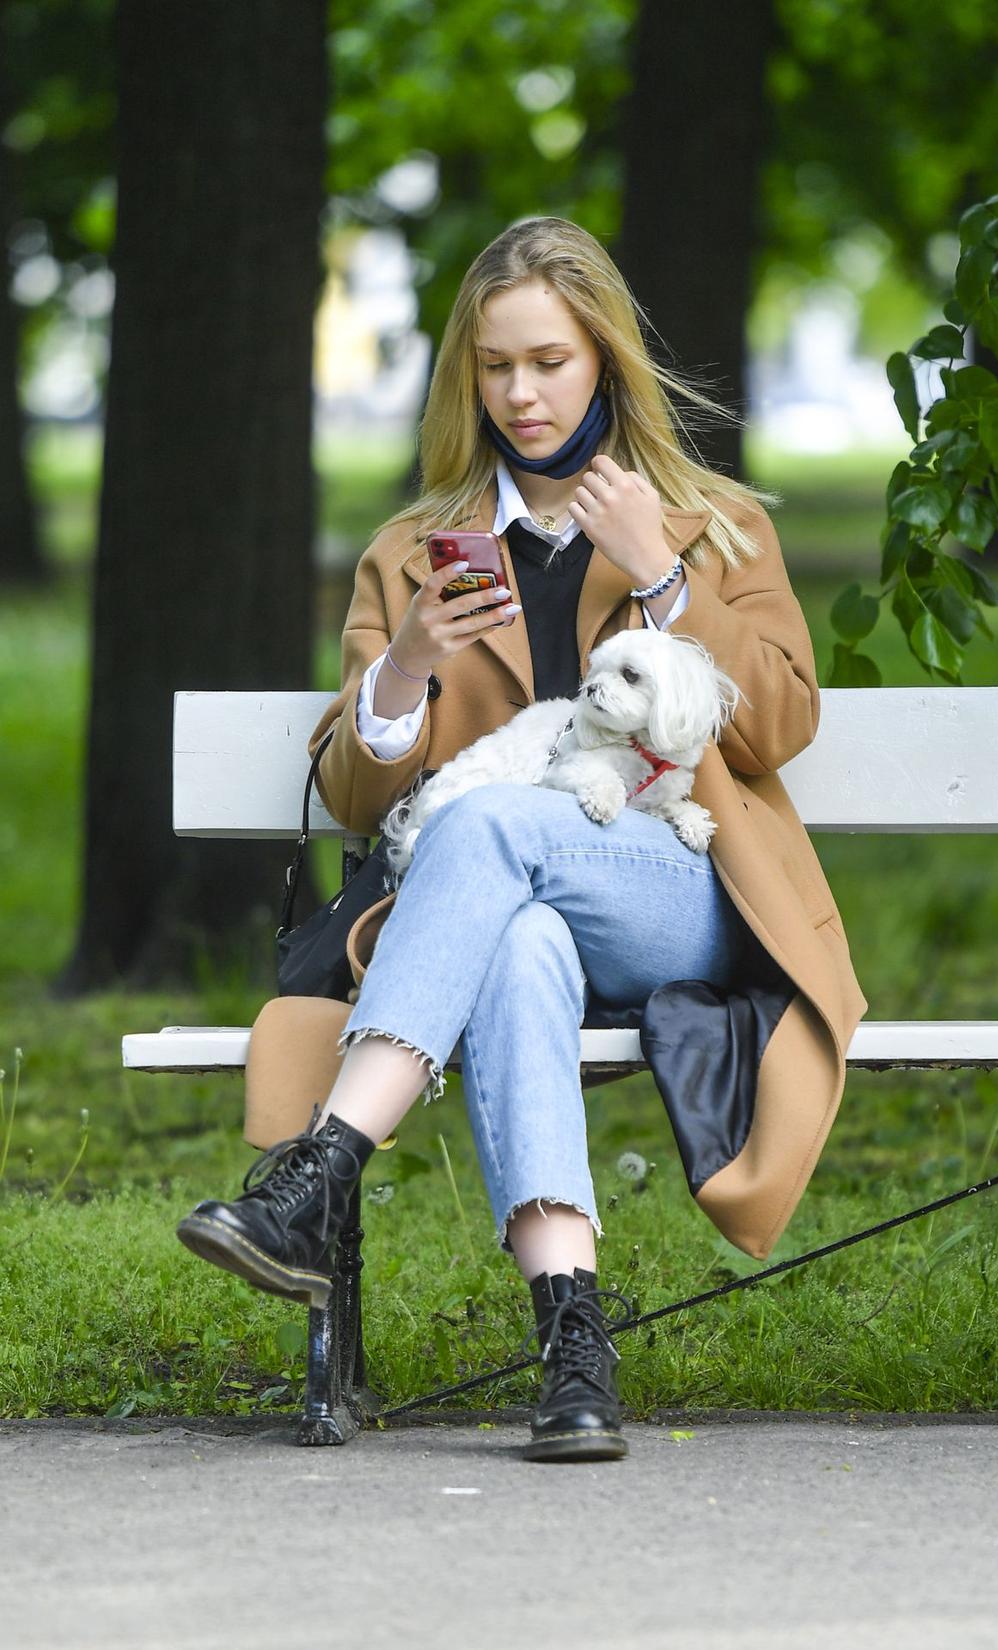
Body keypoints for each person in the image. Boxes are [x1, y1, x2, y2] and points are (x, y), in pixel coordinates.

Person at [177, 215, 867, 1464]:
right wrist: (406, 670)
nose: (522, 392)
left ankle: (323, 1167)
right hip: (495, 918)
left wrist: (662, 576)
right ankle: (573, 1350)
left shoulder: (708, 525)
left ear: (601, 357)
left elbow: (776, 727)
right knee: (519, 936)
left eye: (548, 361)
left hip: (678, 892)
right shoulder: (413, 551)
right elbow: (351, 797)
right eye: (495, 366)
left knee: (501, 822)